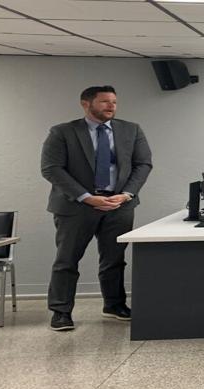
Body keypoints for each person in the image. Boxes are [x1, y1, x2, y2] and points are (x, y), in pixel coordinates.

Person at [40, 85, 152, 331]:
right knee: (67, 260)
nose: (111, 106)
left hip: (119, 204)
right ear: (86, 104)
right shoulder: (63, 132)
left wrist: (126, 194)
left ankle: (114, 305)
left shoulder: (131, 130)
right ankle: (61, 311)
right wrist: (86, 197)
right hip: (76, 206)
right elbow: (51, 168)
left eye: (114, 102)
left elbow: (143, 164)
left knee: (114, 259)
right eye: (104, 102)